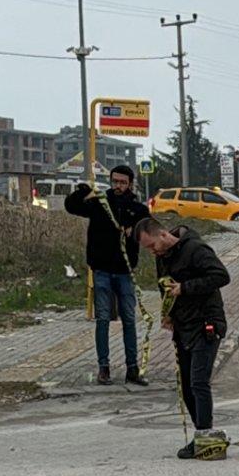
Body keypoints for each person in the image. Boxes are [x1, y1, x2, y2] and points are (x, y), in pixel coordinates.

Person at [134, 216, 231, 460]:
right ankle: (202, 437)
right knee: (186, 387)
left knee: (199, 382)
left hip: (206, 323)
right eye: (147, 249)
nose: (151, 252)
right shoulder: (162, 258)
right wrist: (168, 314)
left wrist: (185, 287)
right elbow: (164, 287)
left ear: (164, 235)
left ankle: (205, 438)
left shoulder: (195, 249)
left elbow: (221, 276)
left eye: (152, 245)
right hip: (183, 326)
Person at [64, 165, 151, 386]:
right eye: (115, 182)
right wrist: (83, 191)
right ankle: (104, 368)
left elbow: (147, 233)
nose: (118, 186)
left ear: (130, 184)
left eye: (122, 182)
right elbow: (72, 207)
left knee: (129, 320)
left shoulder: (138, 209)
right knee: (103, 319)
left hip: (125, 273)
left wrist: (134, 232)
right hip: (102, 270)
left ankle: (132, 368)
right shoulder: (100, 204)